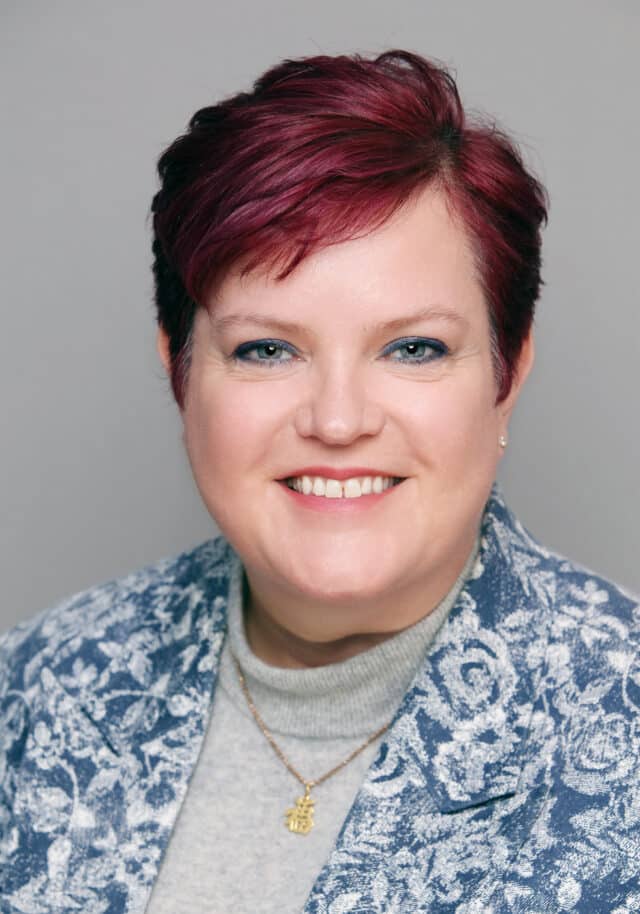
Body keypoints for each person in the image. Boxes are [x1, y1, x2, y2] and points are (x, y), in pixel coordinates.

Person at [1, 49, 638, 914]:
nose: (338, 422)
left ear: (507, 375)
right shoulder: (40, 686)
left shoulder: (622, 722)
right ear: (181, 373)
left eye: (414, 348)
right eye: (267, 349)